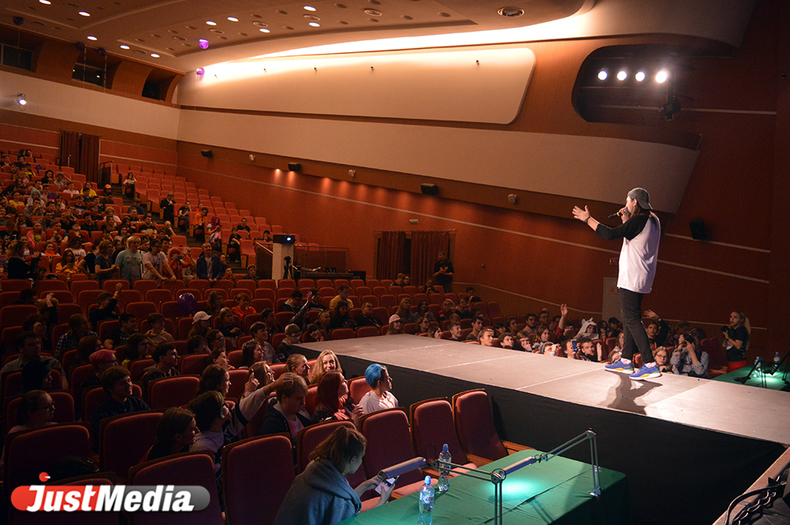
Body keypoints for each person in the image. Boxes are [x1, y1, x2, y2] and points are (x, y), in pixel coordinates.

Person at [573, 188, 662, 381]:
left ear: (635, 202)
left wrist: (588, 219)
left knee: (631, 318)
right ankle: (626, 360)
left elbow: (611, 234)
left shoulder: (639, 220)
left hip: (632, 276)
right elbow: (632, 236)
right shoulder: (653, 219)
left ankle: (649, 363)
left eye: (628, 201)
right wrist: (626, 219)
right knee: (629, 317)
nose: (626, 204)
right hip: (643, 276)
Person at [273, 426, 394, 525]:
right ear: (352, 460)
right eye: (361, 457)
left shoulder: (311, 474)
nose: (361, 461)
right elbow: (345, 510)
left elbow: (338, 499)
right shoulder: (338, 500)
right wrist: (382, 502)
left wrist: (364, 486)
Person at [92, 366, 149, 445]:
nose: (129, 385)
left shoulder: (139, 403)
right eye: (122, 383)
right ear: (110, 388)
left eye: (129, 380)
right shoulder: (102, 413)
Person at [259, 375, 312, 455]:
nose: (303, 403)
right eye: (299, 399)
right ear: (284, 398)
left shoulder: (302, 414)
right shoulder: (271, 425)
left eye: (304, 398)